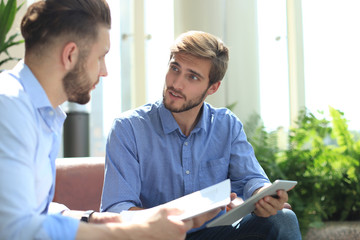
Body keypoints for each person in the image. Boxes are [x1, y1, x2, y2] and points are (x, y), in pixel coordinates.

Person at [0, 1, 219, 239]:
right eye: (101, 57)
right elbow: (16, 228)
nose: (104, 71)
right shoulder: (8, 108)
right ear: (71, 55)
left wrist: (94, 218)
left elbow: (28, 211)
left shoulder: (37, 112)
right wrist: (136, 232)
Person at [101, 30, 302, 239]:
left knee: (283, 218)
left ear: (212, 87)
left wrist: (264, 195)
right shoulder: (128, 129)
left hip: (215, 234)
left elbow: (251, 179)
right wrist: (179, 216)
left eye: (193, 77)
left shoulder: (226, 125)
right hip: (159, 236)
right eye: (175, 68)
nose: (176, 84)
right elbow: (116, 210)